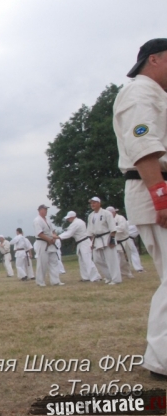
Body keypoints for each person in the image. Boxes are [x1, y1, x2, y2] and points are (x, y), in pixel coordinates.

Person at [112, 37, 167, 380]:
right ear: (155, 59)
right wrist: (161, 196)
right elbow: (143, 145)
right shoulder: (139, 93)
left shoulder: (155, 94)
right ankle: (162, 359)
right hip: (152, 184)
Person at [56, 211, 100, 282]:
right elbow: (69, 231)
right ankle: (86, 277)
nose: (68, 219)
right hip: (81, 242)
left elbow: (69, 233)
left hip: (84, 242)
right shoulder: (77, 222)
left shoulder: (76, 223)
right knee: (82, 261)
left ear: (72, 217)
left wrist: (58, 237)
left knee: (87, 260)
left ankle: (95, 277)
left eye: (69, 218)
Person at [86, 197, 121, 285]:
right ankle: (109, 276)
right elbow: (90, 231)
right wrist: (91, 242)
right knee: (97, 259)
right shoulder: (90, 216)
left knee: (111, 259)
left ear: (99, 203)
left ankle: (116, 279)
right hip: (96, 239)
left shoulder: (106, 213)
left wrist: (112, 239)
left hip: (107, 237)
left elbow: (112, 227)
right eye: (91, 203)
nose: (92, 204)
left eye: (94, 203)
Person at [33, 204, 64, 286]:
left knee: (54, 261)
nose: (46, 211)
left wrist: (54, 238)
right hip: (42, 243)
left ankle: (55, 281)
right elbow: (40, 233)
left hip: (51, 243)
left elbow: (53, 231)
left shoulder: (48, 220)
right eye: (45, 209)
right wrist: (48, 239)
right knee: (42, 263)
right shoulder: (37, 220)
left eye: (46, 209)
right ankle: (40, 282)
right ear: (40, 210)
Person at [107, 206, 134, 279]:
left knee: (125, 259)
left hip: (124, 241)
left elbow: (122, 228)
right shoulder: (108, 220)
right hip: (115, 242)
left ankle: (127, 273)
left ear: (114, 212)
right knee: (113, 259)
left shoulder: (120, 218)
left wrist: (111, 229)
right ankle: (115, 274)